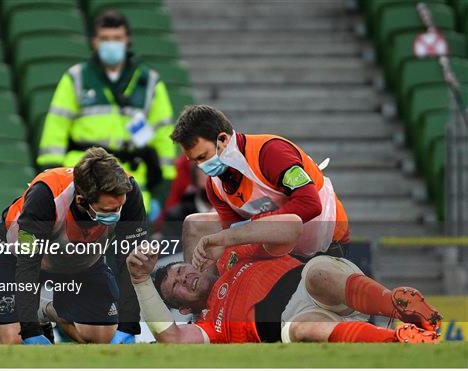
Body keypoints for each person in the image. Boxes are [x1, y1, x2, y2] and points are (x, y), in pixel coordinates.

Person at [126, 215, 442, 344]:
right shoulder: (212, 326)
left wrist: (227, 237)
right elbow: (174, 339)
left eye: (183, 270)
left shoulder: (235, 257)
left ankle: (399, 305)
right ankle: (399, 340)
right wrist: (140, 281)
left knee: (318, 273)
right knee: (306, 328)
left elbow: (291, 224)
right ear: (183, 309)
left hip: (311, 280)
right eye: (178, 286)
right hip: (294, 318)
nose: (187, 278)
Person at [0, 147, 146, 344]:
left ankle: (50, 308)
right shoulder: (45, 196)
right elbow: (27, 265)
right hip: (19, 255)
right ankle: (35, 312)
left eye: (119, 207)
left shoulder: (129, 192)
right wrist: (30, 330)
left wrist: (128, 326)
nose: (117, 213)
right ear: (82, 201)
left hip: (82, 257)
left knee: (103, 337)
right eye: (108, 210)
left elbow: (130, 263)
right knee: (14, 340)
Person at [170, 105, 350, 262]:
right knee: (196, 224)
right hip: (280, 252)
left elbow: (310, 205)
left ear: (223, 139)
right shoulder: (214, 186)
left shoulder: (270, 152)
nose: (201, 166)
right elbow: (235, 235)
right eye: (195, 161)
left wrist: (253, 225)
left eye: (203, 157)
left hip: (328, 242)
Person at [36, 10, 176, 211]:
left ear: (127, 40)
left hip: (131, 183)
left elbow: (163, 135)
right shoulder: (76, 78)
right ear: (94, 42)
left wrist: (163, 187)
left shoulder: (150, 82)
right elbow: (55, 129)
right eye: (105, 39)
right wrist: (50, 179)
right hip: (83, 178)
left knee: (130, 242)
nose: (111, 44)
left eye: (117, 38)